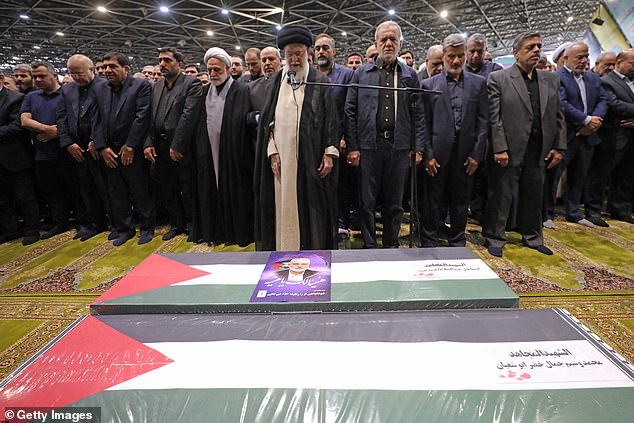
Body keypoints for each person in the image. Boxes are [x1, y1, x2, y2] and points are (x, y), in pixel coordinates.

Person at [254, 25, 339, 251]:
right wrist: (272, 152)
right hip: (282, 162)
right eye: (289, 54)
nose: (294, 58)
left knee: (312, 209)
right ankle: (285, 249)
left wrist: (329, 154)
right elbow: (267, 123)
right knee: (284, 206)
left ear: (308, 53)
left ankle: (312, 250)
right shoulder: (275, 82)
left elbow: (332, 120)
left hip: (311, 160)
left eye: (298, 53)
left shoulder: (320, 81)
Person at [482, 31, 566, 258]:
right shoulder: (499, 78)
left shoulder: (550, 79)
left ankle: (532, 237)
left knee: (534, 194)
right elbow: (494, 117)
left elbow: (559, 115)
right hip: (509, 147)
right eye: (530, 47)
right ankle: (495, 236)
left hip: (539, 148)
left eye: (538, 46)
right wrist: (499, 147)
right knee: (502, 194)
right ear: (516, 53)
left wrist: (560, 146)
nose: (537, 50)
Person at [345, 20, 424, 249]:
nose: (388, 43)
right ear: (376, 44)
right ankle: (370, 244)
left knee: (395, 202)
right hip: (369, 146)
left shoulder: (409, 75)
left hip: (399, 147)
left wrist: (417, 148)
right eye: (384, 40)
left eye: (393, 39)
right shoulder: (361, 74)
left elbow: (418, 113)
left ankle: (391, 245)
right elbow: (350, 111)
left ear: (400, 43)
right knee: (366, 201)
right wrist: (353, 147)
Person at [420, 34, 488, 247]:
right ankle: (429, 239)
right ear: (444, 56)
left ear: (466, 55)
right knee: (432, 200)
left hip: (466, 155)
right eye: (451, 56)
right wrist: (428, 154)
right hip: (437, 155)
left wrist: (477, 154)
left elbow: (483, 122)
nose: (456, 61)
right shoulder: (428, 85)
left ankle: (457, 240)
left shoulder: (479, 84)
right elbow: (423, 124)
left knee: (461, 200)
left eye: (460, 56)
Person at [189, 47, 254, 246]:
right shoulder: (205, 91)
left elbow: (245, 121)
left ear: (227, 68)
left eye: (217, 70)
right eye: (210, 70)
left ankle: (236, 233)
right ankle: (216, 231)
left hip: (234, 154)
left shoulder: (241, 90)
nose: (213, 74)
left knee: (235, 192)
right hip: (210, 150)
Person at [93, 52, 155, 246]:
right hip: (110, 151)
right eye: (104, 67)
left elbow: (142, 117)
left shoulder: (140, 86)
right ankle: (125, 229)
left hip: (132, 150)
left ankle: (147, 227)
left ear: (125, 69)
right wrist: (102, 147)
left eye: (112, 66)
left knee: (140, 191)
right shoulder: (101, 88)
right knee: (116, 192)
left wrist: (130, 145)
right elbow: (96, 120)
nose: (107, 70)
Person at [143, 47, 203, 241]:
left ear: (180, 64)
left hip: (181, 147)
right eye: (160, 60)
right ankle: (177, 224)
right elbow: (150, 117)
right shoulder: (157, 86)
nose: (162, 64)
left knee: (188, 189)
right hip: (159, 147)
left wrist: (177, 145)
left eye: (167, 60)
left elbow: (189, 116)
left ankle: (194, 225)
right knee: (168, 188)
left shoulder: (191, 84)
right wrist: (148, 142)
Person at [20, 62, 85, 240]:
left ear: (54, 76)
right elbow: (25, 121)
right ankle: (60, 223)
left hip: (67, 152)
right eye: (35, 77)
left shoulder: (68, 93)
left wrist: (57, 132)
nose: (38, 80)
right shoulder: (31, 97)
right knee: (52, 192)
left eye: (42, 76)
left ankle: (83, 222)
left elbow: (75, 118)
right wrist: (47, 129)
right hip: (42, 154)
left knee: (75, 190)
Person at [554, 42, 608, 228]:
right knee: (554, 176)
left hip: (588, 136)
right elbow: (562, 104)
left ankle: (574, 212)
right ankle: (547, 213)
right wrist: (585, 120)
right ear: (566, 59)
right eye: (579, 57)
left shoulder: (593, 78)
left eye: (586, 56)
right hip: (567, 135)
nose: (584, 61)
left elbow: (603, 99)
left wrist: (596, 119)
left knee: (579, 176)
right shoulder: (557, 77)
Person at [57, 54, 110, 241]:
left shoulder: (104, 86)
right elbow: (61, 118)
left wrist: (98, 140)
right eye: (72, 73)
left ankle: (115, 222)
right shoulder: (67, 90)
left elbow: (107, 116)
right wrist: (68, 143)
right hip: (76, 149)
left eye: (79, 73)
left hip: (99, 148)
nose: (76, 77)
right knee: (84, 189)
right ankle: (94, 223)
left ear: (91, 70)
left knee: (106, 188)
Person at [585, 49, 634, 226]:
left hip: (630, 137)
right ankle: (593, 210)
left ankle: (620, 209)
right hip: (611, 137)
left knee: (626, 176)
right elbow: (613, 104)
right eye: (632, 64)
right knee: (600, 175)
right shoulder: (606, 81)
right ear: (619, 63)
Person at [314, 33, 355, 242]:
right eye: (318, 48)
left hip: (339, 141)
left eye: (325, 48)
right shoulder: (309, 76)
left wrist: (346, 137)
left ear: (334, 52)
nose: (321, 51)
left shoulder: (347, 75)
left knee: (340, 185)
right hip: (314, 141)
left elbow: (350, 110)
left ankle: (340, 224)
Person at [0, 73, 40, 245]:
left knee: (25, 196)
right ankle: (10, 230)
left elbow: (17, 126)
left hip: (15, 157)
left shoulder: (16, 99)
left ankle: (32, 230)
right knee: (2, 199)